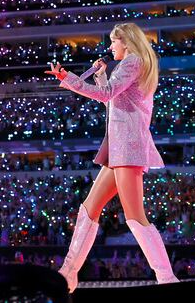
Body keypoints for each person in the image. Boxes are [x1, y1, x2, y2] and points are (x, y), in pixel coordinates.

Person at [45, 22, 178, 292]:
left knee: (135, 217)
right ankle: (68, 273)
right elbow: (112, 99)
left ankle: (166, 278)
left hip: (127, 149)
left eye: (113, 41)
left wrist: (68, 79)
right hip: (120, 149)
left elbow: (107, 95)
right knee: (88, 209)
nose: (110, 46)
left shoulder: (132, 62)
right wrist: (102, 77)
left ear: (126, 41)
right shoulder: (135, 64)